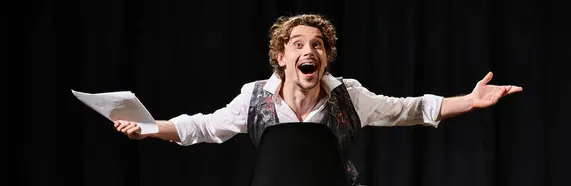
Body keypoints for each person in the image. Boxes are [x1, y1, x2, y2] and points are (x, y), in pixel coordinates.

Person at [113, 13, 522, 185]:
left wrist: (469, 101)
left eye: (318, 45)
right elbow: (200, 126)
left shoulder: (349, 96)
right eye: (298, 44)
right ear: (282, 56)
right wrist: (149, 128)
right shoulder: (255, 97)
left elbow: (410, 109)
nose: (309, 51)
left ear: (325, 57)